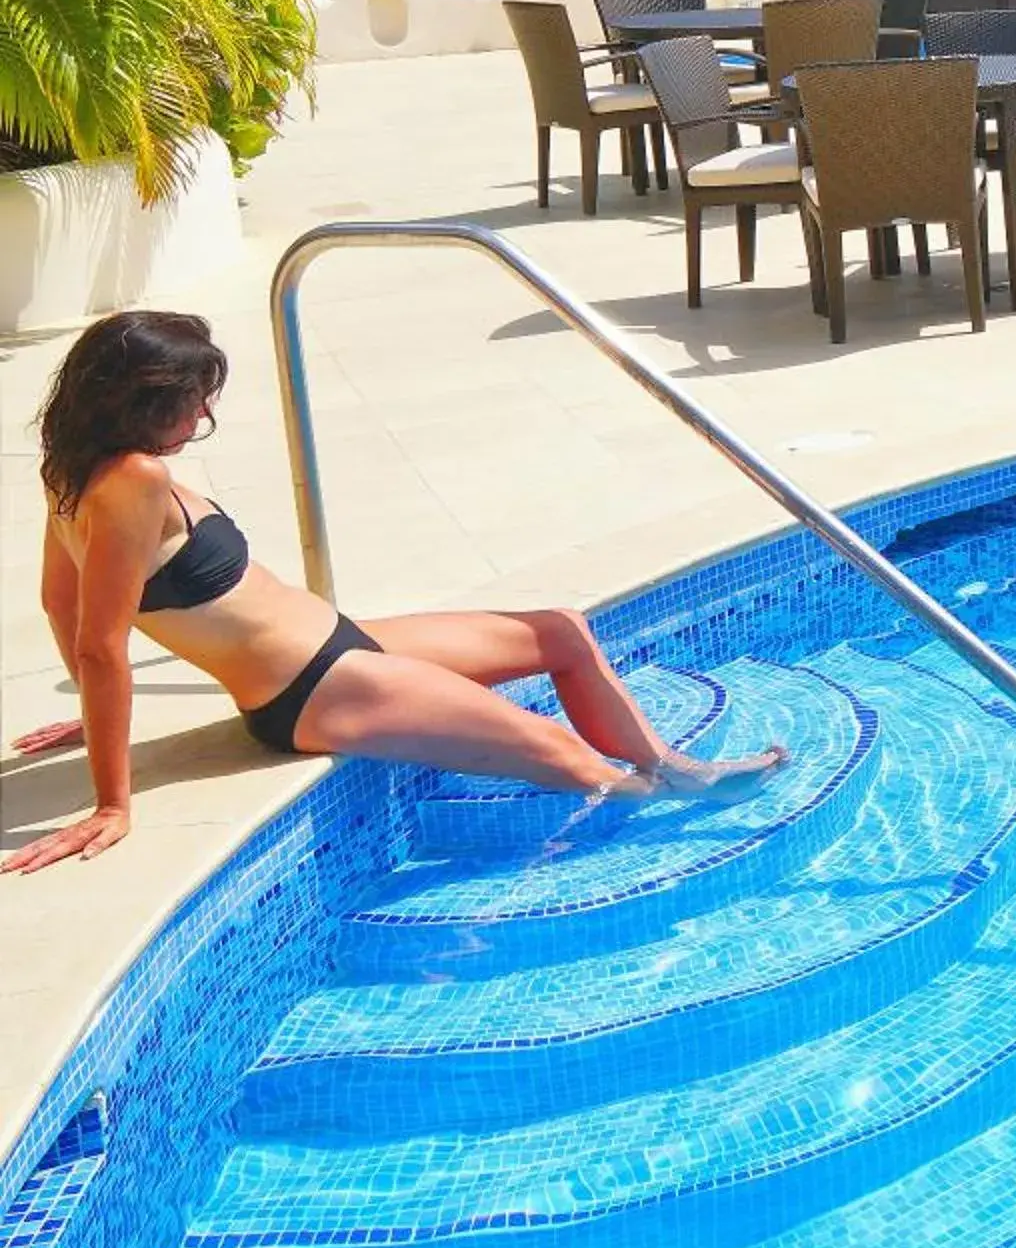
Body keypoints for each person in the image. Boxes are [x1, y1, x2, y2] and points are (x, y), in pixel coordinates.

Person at [8, 310, 783, 874]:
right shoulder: (132, 482)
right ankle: (668, 835)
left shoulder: (69, 469)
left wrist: (90, 708)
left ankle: (672, 765)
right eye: (192, 400)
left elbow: (58, 600)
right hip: (309, 690)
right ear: (142, 400)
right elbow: (98, 640)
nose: (203, 414)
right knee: (565, 756)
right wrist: (113, 799)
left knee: (562, 632)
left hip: (340, 640)